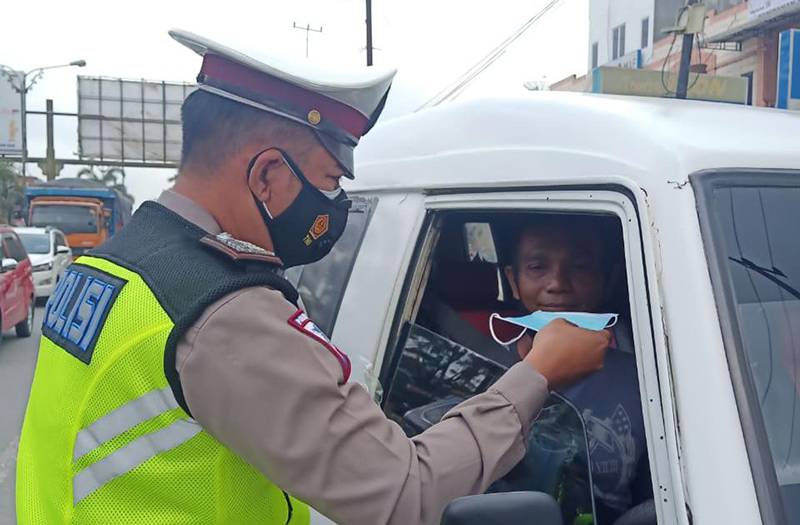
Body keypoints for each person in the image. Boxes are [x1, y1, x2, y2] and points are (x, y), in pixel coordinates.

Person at [16, 30, 611, 525]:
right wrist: (538, 373)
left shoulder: (112, 263)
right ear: (268, 175)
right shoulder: (223, 313)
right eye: (329, 180)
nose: (334, 203)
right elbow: (405, 494)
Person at [496, 215, 652, 523]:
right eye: (537, 267)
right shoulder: (479, 371)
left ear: (608, 279)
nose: (558, 284)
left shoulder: (645, 379)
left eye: (580, 266)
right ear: (513, 281)